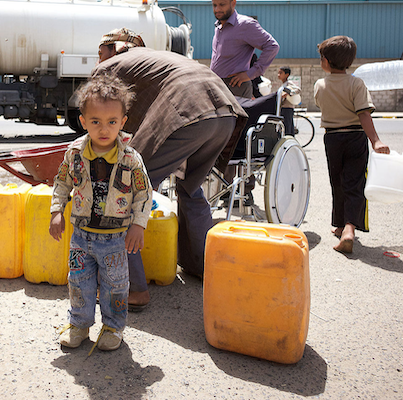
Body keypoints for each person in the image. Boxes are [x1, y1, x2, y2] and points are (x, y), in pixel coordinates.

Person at [94, 28, 247, 310]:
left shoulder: (112, 66)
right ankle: (203, 266)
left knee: (123, 193)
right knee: (190, 187)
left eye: (101, 51)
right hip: (225, 113)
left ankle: (133, 290)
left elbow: (100, 123)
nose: (98, 59)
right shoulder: (154, 58)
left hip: (189, 115)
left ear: (116, 48)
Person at [50, 72, 152, 352]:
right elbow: (62, 182)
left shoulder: (131, 160)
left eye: (111, 122)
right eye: (95, 122)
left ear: (123, 122)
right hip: (81, 236)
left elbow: (144, 194)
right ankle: (79, 325)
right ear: (83, 121)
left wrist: (138, 225)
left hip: (116, 239)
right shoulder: (74, 153)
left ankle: (113, 327)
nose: (103, 129)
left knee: (115, 286)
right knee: (78, 282)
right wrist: (57, 211)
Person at [314, 35, 389, 254]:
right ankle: (348, 229)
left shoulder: (320, 84)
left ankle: (339, 225)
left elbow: (320, 104)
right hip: (356, 137)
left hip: (332, 138)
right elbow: (364, 113)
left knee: (336, 181)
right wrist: (375, 141)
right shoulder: (357, 84)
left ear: (326, 62)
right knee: (354, 182)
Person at [210, 0, 279, 99]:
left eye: (222, 4)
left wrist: (250, 74)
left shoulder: (245, 25)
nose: (217, 9)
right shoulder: (218, 27)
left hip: (235, 87)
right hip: (218, 85)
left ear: (233, 3)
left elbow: (272, 46)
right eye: (214, 5)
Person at [277, 66, 301, 136]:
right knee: (287, 126)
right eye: (278, 73)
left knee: (287, 127)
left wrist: (288, 93)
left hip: (287, 108)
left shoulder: (288, 83)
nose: (279, 75)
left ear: (287, 75)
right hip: (283, 108)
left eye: (281, 73)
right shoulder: (283, 84)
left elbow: (298, 89)